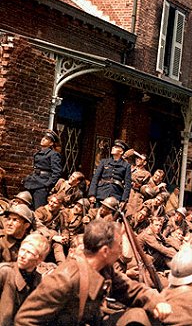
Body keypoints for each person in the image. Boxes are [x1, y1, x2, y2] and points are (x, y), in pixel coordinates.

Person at [15, 219, 172, 325]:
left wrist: (157, 301)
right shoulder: (64, 279)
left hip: (94, 319)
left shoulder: (105, 269)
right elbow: (25, 320)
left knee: (139, 315)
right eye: (118, 245)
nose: (121, 251)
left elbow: (132, 289)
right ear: (105, 251)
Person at [0, 233, 49, 325]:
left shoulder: (38, 280)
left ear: (39, 260)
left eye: (29, 252)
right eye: (22, 250)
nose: (22, 255)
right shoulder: (4, 272)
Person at [22, 130, 62, 209]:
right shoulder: (38, 153)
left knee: (38, 209)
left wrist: (48, 184)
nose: (43, 139)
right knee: (25, 207)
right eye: (44, 137)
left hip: (42, 185)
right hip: (32, 182)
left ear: (51, 143)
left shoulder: (53, 154)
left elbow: (57, 172)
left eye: (47, 139)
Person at [88, 139, 132, 204]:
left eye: (116, 147)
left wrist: (123, 200)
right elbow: (95, 178)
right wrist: (92, 194)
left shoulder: (126, 165)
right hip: (101, 193)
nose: (113, 148)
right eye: (113, 146)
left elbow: (127, 185)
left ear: (121, 152)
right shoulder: (104, 162)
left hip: (115, 195)